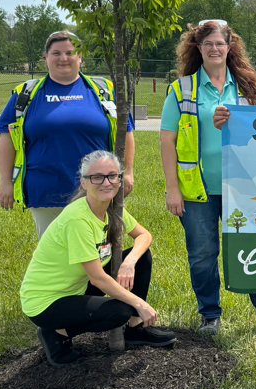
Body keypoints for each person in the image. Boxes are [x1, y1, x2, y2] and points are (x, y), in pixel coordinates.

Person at [160, 19, 256, 336]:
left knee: (253, 248)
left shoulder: (247, 87)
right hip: (198, 190)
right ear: (198, 48)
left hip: (243, 188)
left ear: (229, 46)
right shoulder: (182, 89)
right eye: (208, 44)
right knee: (203, 255)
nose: (214, 49)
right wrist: (172, 189)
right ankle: (209, 315)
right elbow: (167, 141)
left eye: (220, 43)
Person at [20, 150, 176, 366]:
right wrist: (140, 303)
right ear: (84, 183)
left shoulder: (112, 209)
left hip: (77, 286)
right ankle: (56, 332)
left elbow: (144, 235)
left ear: (120, 180)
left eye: (112, 175)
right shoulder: (77, 219)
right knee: (119, 311)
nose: (106, 182)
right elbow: (98, 279)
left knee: (140, 257)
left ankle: (136, 328)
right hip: (46, 302)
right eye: (97, 177)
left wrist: (129, 263)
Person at [0, 31, 135, 238]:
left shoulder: (105, 91)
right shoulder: (25, 94)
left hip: (97, 186)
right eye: (56, 53)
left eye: (70, 53)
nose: (63, 58)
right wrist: (5, 181)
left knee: (96, 251)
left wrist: (128, 172)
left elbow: (126, 133)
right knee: (54, 254)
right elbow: (6, 138)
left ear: (80, 57)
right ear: (45, 58)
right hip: (45, 188)